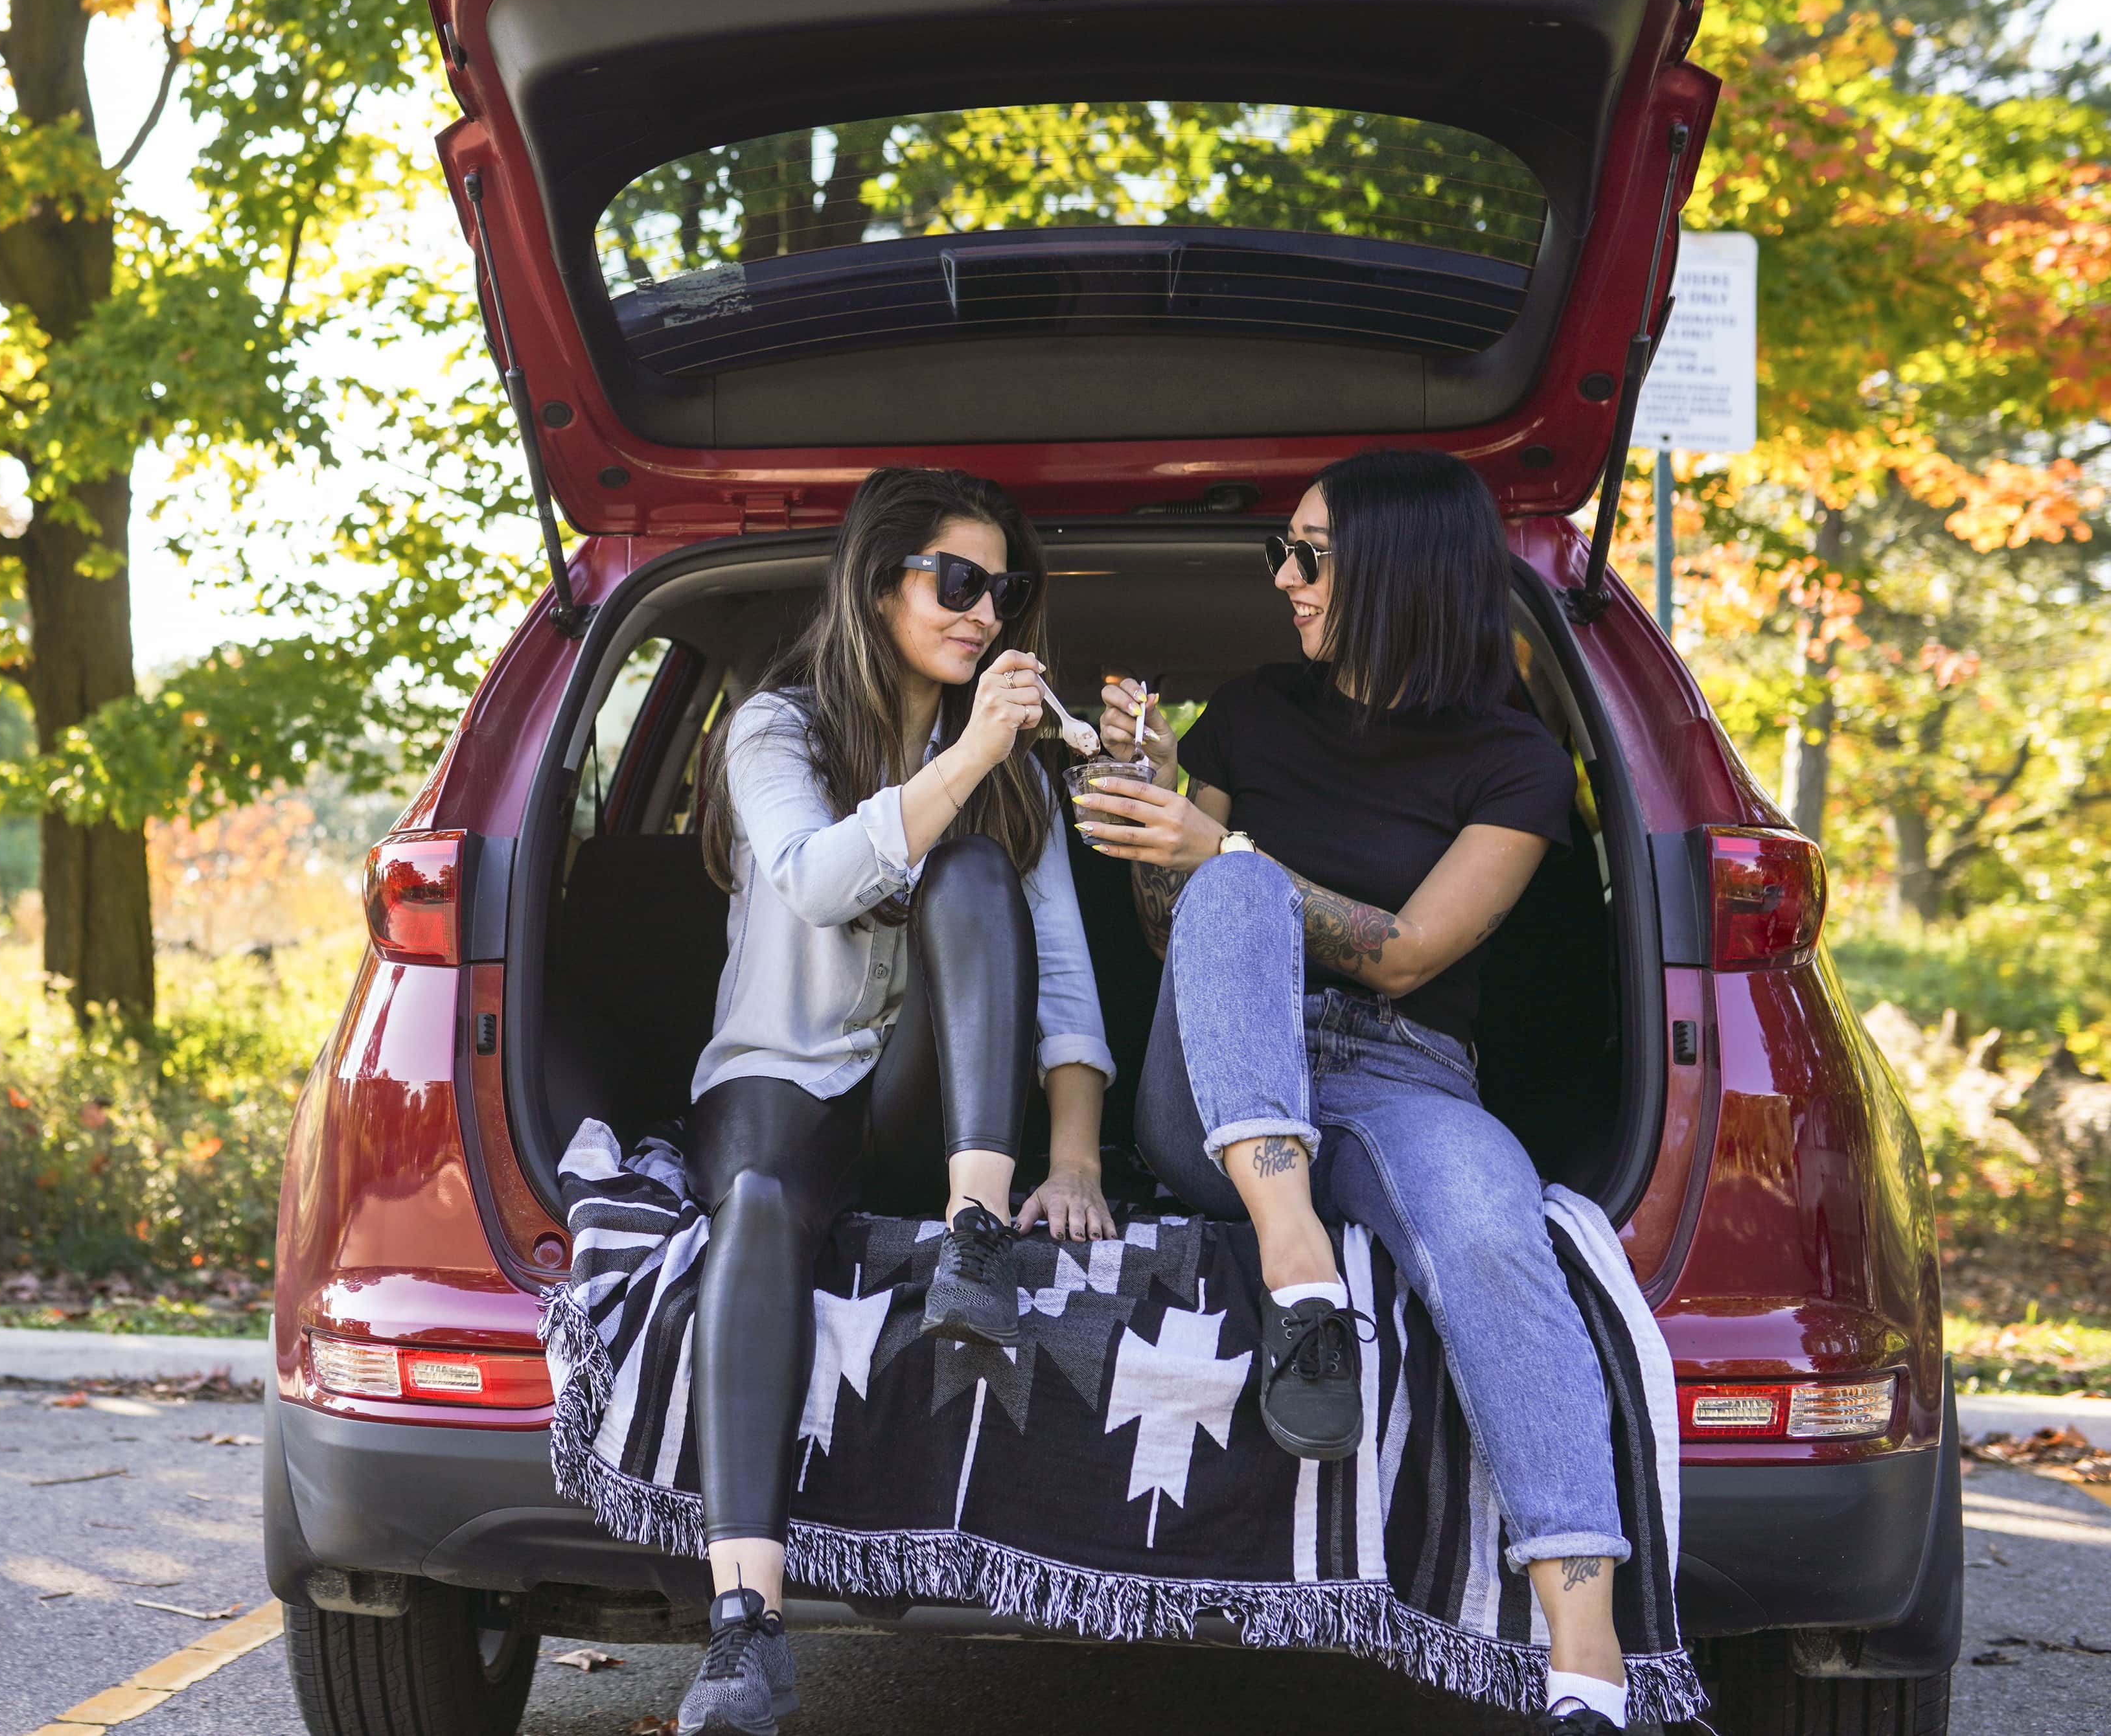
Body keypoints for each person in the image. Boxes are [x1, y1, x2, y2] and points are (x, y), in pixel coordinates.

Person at [1077, 448, 1637, 1733]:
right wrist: (1166, 802)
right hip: (1216, 1086)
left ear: (1397, 570)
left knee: (1497, 1232)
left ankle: (1586, 1655)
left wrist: (1228, 853)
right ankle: (1299, 1273)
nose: (1282, 578)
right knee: (1227, 892)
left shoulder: (1514, 761)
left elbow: (1414, 951)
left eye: (1309, 554)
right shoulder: (1256, 713)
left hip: (1400, 1071)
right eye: (1282, 550)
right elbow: (1178, 926)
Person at [673, 465, 1114, 1736]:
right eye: (957, 582)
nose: (984, 612)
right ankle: (744, 1628)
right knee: (754, 1206)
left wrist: (1072, 1155)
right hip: (778, 1082)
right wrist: (974, 747)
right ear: (880, 585)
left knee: (978, 867)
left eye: (1004, 591)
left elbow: (1065, 973)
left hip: (925, 1109)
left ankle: (973, 1239)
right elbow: (814, 881)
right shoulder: (776, 729)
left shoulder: (1011, 773)